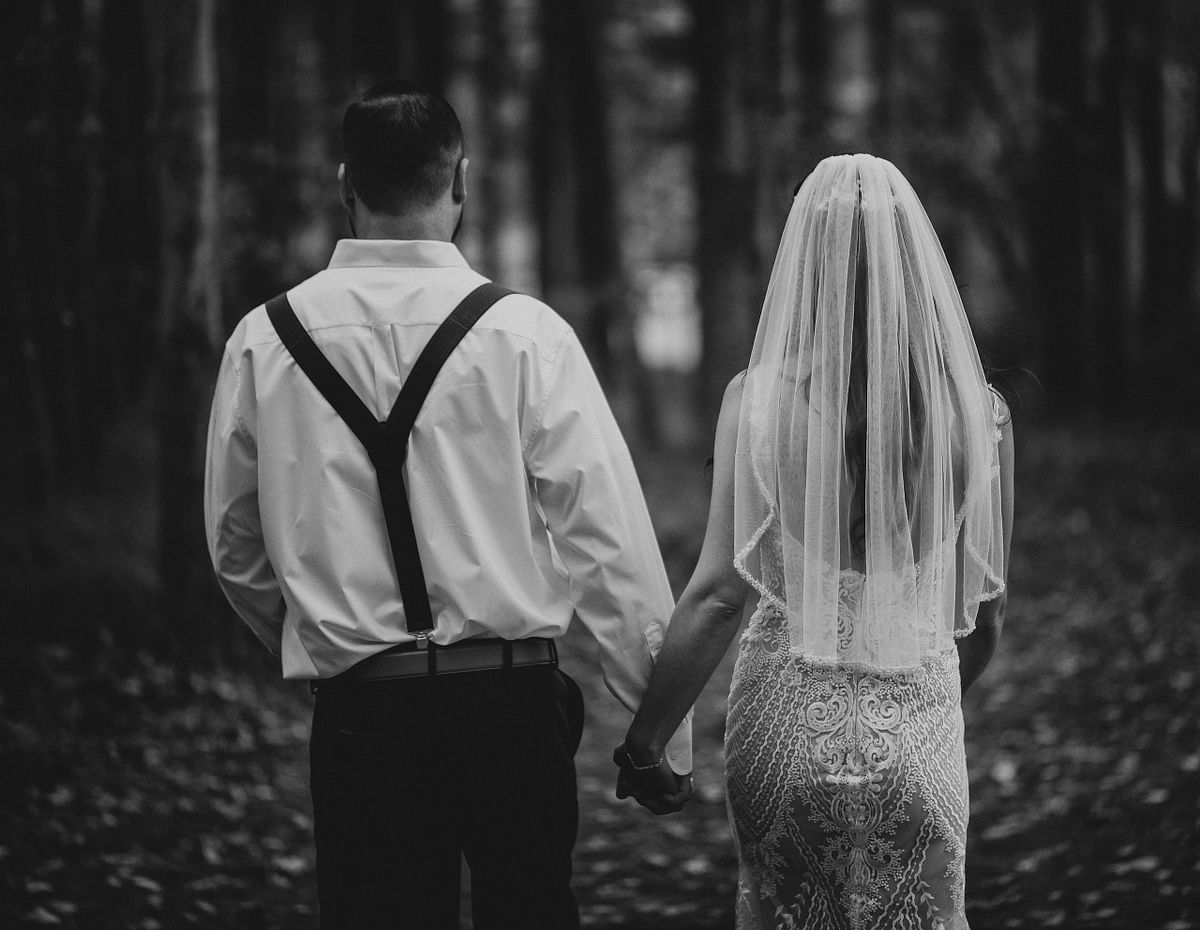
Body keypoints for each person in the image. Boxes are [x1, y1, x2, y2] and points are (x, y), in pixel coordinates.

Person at [204, 78, 692, 930]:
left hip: (363, 716)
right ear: (459, 180)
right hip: (509, 709)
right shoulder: (524, 334)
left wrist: (326, 632)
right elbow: (608, 541)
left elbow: (235, 547)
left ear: (345, 185)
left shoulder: (264, 339)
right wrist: (657, 737)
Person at [613, 154, 1014, 929]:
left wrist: (646, 741)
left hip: (783, 731)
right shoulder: (982, 415)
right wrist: (916, 712)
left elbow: (720, 596)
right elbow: (986, 616)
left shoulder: (755, 403)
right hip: (919, 736)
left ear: (807, 262)